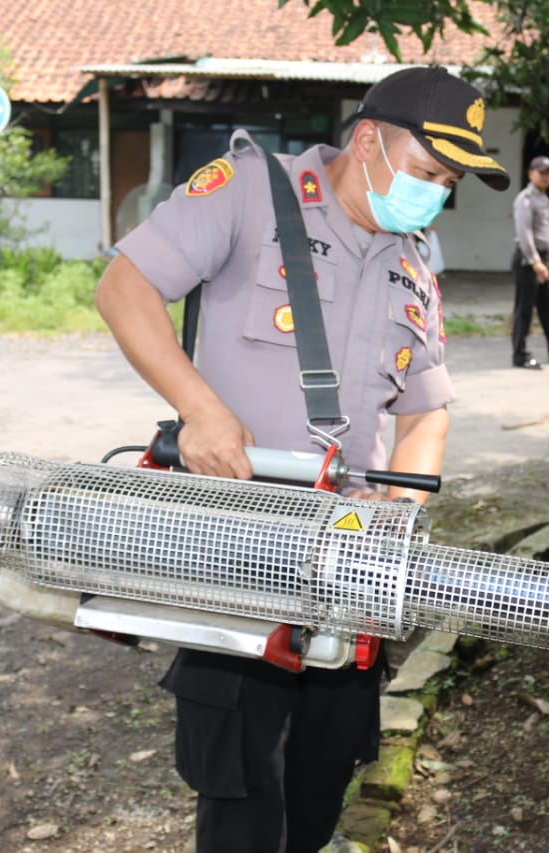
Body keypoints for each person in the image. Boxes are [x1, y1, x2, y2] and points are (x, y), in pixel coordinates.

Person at [94, 66, 509, 852]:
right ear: (366, 141)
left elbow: (426, 414)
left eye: (447, 183)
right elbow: (125, 289)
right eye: (426, 173)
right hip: (238, 553)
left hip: (345, 572)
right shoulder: (249, 191)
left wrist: (396, 524)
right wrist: (201, 409)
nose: (433, 194)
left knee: (318, 795)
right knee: (242, 799)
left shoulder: (413, 260)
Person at [510, 155, 549, 369]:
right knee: (525, 309)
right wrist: (535, 262)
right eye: (541, 173)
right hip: (529, 260)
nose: (545, 177)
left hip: (542, 260)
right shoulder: (525, 199)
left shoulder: (543, 197)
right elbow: (524, 232)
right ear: (530, 173)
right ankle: (520, 356)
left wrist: (543, 262)